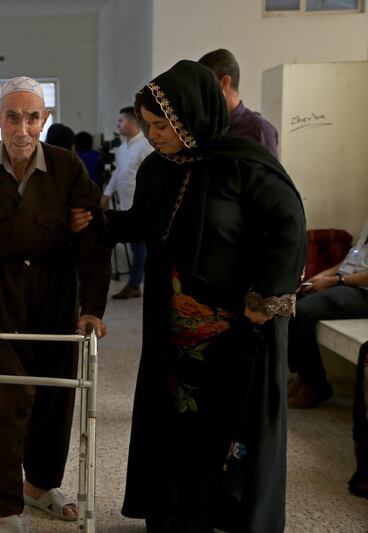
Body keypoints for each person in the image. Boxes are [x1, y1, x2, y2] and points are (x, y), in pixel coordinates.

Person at [71, 61, 306, 532]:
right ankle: (175, 508)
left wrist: (267, 298)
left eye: (162, 125)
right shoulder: (160, 169)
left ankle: (228, 512)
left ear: (190, 117)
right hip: (173, 327)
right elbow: (144, 222)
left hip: (237, 325)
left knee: (228, 422)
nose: (154, 135)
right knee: (176, 418)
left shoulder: (244, 162)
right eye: (150, 125)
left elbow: (289, 225)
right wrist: (100, 224)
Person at [0, 76, 111, 533]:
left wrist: (92, 306)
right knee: (6, 397)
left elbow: (93, 243)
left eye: (32, 117)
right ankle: (8, 507)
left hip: (55, 288)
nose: (23, 128)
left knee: (55, 393)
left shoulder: (67, 167)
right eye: (12, 117)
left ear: (45, 119)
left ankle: (41, 486)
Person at [288, 222, 368, 408]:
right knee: (291, 298)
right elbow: (355, 257)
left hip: (363, 290)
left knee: (301, 312)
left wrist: (335, 281)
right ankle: (302, 376)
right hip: (348, 282)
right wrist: (324, 275)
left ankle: (315, 385)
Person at [102, 106, 153, 300]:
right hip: (125, 206)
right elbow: (117, 173)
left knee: (140, 248)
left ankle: (134, 284)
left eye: (121, 121)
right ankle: (134, 283)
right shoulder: (124, 147)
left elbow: (150, 179)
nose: (118, 124)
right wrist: (107, 194)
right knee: (136, 248)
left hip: (140, 208)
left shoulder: (145, 146)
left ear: (133, 122)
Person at [198, 48, 279, 158]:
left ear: (224, 83)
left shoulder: (259, 131)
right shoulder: (205, 127)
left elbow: (269, 175)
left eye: (202, 85)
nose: (198, 94)